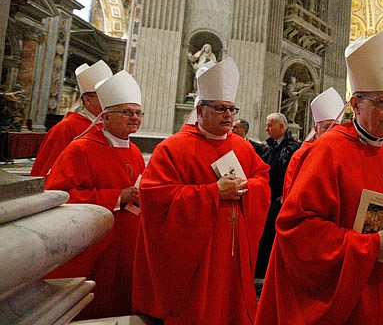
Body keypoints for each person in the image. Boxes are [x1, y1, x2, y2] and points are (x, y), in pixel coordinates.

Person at [255, 26, 383, 324]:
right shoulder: (327, 151)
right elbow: (296, 229)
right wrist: (369, 247)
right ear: (357, 104)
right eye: (382, 102)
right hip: (347, 295)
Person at [133, 58, 271, 325]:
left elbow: (262, 180)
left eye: (231, 109)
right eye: (220, 109)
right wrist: (212, 193)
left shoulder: (242, 148)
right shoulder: (173, 148)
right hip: (198, 253)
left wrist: (248, 188)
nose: (228, 115)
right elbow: (154, 196)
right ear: (200, 110)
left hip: (234, 247)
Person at [45, 70, 144, 319]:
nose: (134, 118)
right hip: (94, 246)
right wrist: (116, 197)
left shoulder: (134, 151)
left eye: (138, 112)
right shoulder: (81, 148)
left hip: (128, 242)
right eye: (127, 112)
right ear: (106, 117)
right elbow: (59, 195)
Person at [31, 60, 112, 176]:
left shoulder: (110, 126)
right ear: (87, 100)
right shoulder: (65, 128)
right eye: (102, 96)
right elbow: (46, 171)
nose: (109, 100)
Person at [255, 112, 301, 280]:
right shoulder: (272, 146)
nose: (266, 129)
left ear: (282, 127)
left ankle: (269, 274)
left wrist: (285, 195)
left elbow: (293, 174)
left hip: (279, 202)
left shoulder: (292, 148)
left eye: (270, 125)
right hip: (268, 198)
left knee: (272, 238)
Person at [281, 86, 345, 201]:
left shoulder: (345, 155)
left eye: (336, 127)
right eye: (327, 127)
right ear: (316, 129)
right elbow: (292, 196)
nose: (332, 132)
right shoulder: (301, 156)